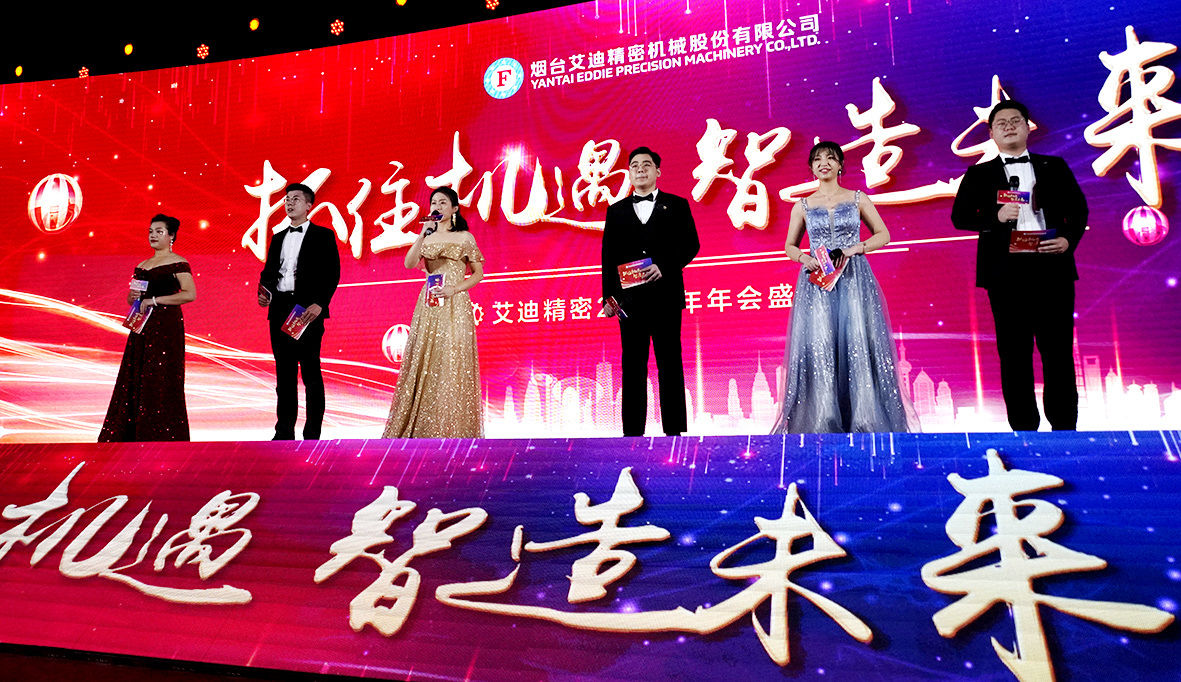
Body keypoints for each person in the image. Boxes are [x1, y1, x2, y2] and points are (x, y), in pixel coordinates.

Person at [951, 100, 1087, 431]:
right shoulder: (979, 174)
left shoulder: (1054, 166)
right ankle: (1024, 430)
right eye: (1001, 123)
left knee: (1058, 352)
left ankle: (1064, 430)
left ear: (1028, 127)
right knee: (1014, 354)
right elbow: (960, 217)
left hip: (1051, 266)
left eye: (1016, 121)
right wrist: (995, 216)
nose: (1009, 126)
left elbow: (1078, 210)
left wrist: (1067, 240)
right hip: (1006, 273)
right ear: (992, 134)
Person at [772, 142, 914, 434]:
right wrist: (804, 258)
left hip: (854, 279)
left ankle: (864, 420)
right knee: (820, 345)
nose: (823, 163)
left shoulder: (858, 198)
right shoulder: (802, 205)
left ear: (840, 165)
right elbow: (789, 245)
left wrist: (853, 249)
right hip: (817, 282)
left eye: (830, 158)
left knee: (857, 341)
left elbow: (883, 235)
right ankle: (823, 420)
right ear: (811, 168)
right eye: (817, 159)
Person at [601, 146, 700, 437]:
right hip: (629, 301)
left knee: (670, 364)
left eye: (646, 164)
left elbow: (691, 244)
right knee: (632, 367)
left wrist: (664, 266)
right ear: (629, 173)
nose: (640, 169)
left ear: (658, 171)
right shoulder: (616, 211)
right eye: (634, 165)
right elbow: (608, 256)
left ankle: (674, 433)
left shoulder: (677, 205)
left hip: (666, 297)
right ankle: (632, 435)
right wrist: (610, 298)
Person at [383, 187, 485, 438]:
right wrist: (422, 234)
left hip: (455, 303)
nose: (437, 207)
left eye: (443, 203)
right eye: (433, 203)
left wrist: (454, 289)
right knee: (424, 361)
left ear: (454, 209)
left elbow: (479, 274)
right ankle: (422, 430)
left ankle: (453, 429)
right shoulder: (426, 237)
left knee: (452, 360)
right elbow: (408, 263)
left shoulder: (464, 237)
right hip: (429, 304)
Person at [99, 214, 196, 442]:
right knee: (136, 373)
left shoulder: (178, 263)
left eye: (159, 231)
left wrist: (155, 300)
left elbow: (189, 294)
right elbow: (132, 299)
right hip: (141, 325)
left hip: (166, 326)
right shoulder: (142, 266)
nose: (153, 235)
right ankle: (132, 434)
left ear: (171, 236)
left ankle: (162, 434)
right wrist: (132, 297)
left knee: (162, 376)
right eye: (151, 231)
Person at [258, 183, 341, 440]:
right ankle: (283, 433)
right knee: (284, 375)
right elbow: (269, 272)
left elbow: (332, 273)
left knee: (311, 374)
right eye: (286, 199)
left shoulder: (323, 235)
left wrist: (320, 304)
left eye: (295, 199)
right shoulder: (278, 237)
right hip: (280, 309)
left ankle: (312, 434)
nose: (289, 203)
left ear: (308, 205)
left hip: (307, 311)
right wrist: (264, 293)